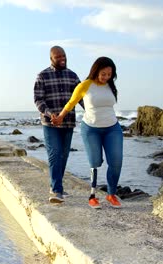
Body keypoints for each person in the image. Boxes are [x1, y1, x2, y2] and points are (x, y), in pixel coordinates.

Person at [52, 57, 123, 209]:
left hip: (113, 128)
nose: (106, 77)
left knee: (116, 162)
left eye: (109, 74)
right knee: (95, 161)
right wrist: (60, 117)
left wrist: (108, 80)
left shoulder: (110, 85)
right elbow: (71, 103)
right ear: (96, 70)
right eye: (103, 74)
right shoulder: (85, 85)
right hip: (91, 129)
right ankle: (92, 196)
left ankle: (111, 194)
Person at [34, 46, 81, 203]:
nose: (62, 59)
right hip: (50, 123)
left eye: (64, 56)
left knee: (64, 155)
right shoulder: (42, 76)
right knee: (55, 153)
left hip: (68, 122)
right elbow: (38, 100)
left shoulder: (73, 76)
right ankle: (56, 191)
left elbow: (81, 98)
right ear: (51, 59)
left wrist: (94, 111)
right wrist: (49, 114)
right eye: (58, 57)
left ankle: (56, 185)